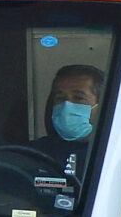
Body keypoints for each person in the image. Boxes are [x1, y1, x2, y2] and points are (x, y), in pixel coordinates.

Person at [22, 65, 106, 200]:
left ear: (100, 106)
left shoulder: (110, 155)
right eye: (60, 98)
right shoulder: (32, 153)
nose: (67, 105)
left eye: (79, 98)